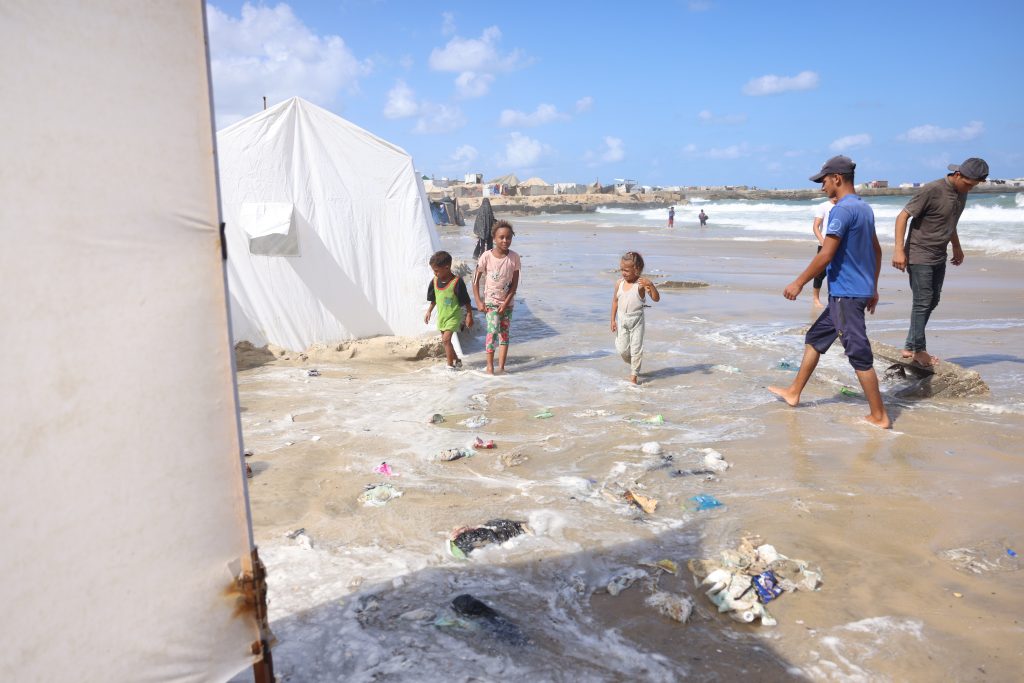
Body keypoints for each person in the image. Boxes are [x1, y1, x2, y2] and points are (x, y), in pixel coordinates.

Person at [768, 155, 890, 429]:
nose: (822, 187)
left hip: (847, 294)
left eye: (823, 181)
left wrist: (798, 282)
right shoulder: (864, 208)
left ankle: (879, 416)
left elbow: (826, 254)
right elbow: (877, 250)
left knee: (858, 353)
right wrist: (873, 287)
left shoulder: (842, 211)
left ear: (837, 178)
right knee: (816, 337)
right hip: (849, 292)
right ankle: (794, 391)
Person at [891, 157, 989, 368]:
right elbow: (902, 217)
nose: (970, 189)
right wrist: (898, 250)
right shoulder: (932, 190)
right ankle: (919, 350)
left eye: (975, 186)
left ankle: (910, 345)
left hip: (938, 254)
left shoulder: (961, 193)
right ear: (958, 175)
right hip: (919, 253)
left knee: (933, 300)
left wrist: (956, 246)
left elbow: (950, 222)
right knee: (923, 301)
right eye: (969, 184)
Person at [473, 220, 520, 374]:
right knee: (492, 332)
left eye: (508, 237)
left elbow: (514, 285)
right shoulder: (486, 256)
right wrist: (479, 301)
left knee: (504, 334)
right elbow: (475, 280)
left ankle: (501, 367)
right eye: (501, 237)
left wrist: (506, 303)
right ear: (494, 238)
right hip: (491, 303)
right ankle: (490, 367)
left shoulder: (514, 257)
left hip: (507, 304)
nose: (505, 241)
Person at [610, 251, 660, 384]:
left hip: (637, 320)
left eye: (626, 270)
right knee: (623, 350)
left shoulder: (641, 285)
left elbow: (656, 299)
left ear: (636, 269)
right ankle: (634, 364)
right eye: (622, 269)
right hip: (622, 320)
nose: (623, 273)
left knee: (636, 349)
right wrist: (612, 320)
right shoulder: (619, 283)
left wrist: (651, 285)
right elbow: (615, 301)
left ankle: (634, 377)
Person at [425, 251, 474, 370]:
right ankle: (457, 360)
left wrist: (469, 314)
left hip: (454, 316)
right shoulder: (435, 281)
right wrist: (429, 311)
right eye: (433, 270)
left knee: (446, 340)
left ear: (447, 267)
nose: (435, 273)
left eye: (436, 270)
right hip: (442, 316)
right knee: (447, 342)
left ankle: (449, 366)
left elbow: (466, 300)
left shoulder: (457, 282)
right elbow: (434, 298)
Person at [811, 196, 838, 307]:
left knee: (836, 272)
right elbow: (816, 227)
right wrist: (822, 241)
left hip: (839, 244)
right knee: (820, 272)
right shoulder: (823, 206)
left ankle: (833, 298)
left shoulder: (843, 206)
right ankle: (816, 299)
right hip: (824, 244)